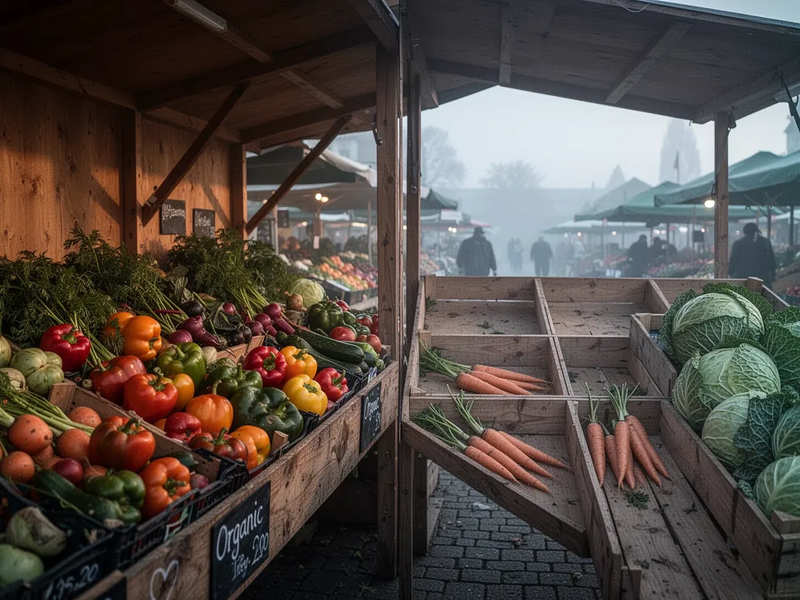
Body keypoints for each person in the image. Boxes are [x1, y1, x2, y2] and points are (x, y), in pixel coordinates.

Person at [729, 222, 777, 289]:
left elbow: (733, 261)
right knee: (763, 298)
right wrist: (773, 275)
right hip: (763, 279)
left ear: (744, 232)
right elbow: (771, 260)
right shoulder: (765, 242)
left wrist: (731, 274)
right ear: (757, 231)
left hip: (743, 278)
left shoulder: (738, 244)